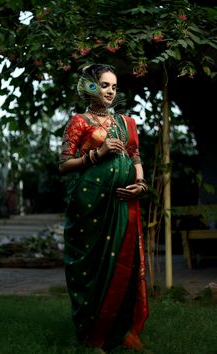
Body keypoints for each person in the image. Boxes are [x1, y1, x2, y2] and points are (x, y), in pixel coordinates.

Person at [59, 63, 149, 353]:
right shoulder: (78, 122)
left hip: (124, 204)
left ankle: (122, 331)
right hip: (91, 211)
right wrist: (97, 154)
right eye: (104, 85)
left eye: (113, 86)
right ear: (90, 86)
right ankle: (93, 335)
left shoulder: (125, 123)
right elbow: (63, 165)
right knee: (95, 269)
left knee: (127, 266)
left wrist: (141, 185)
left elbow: (135, 158)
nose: (110, 91)